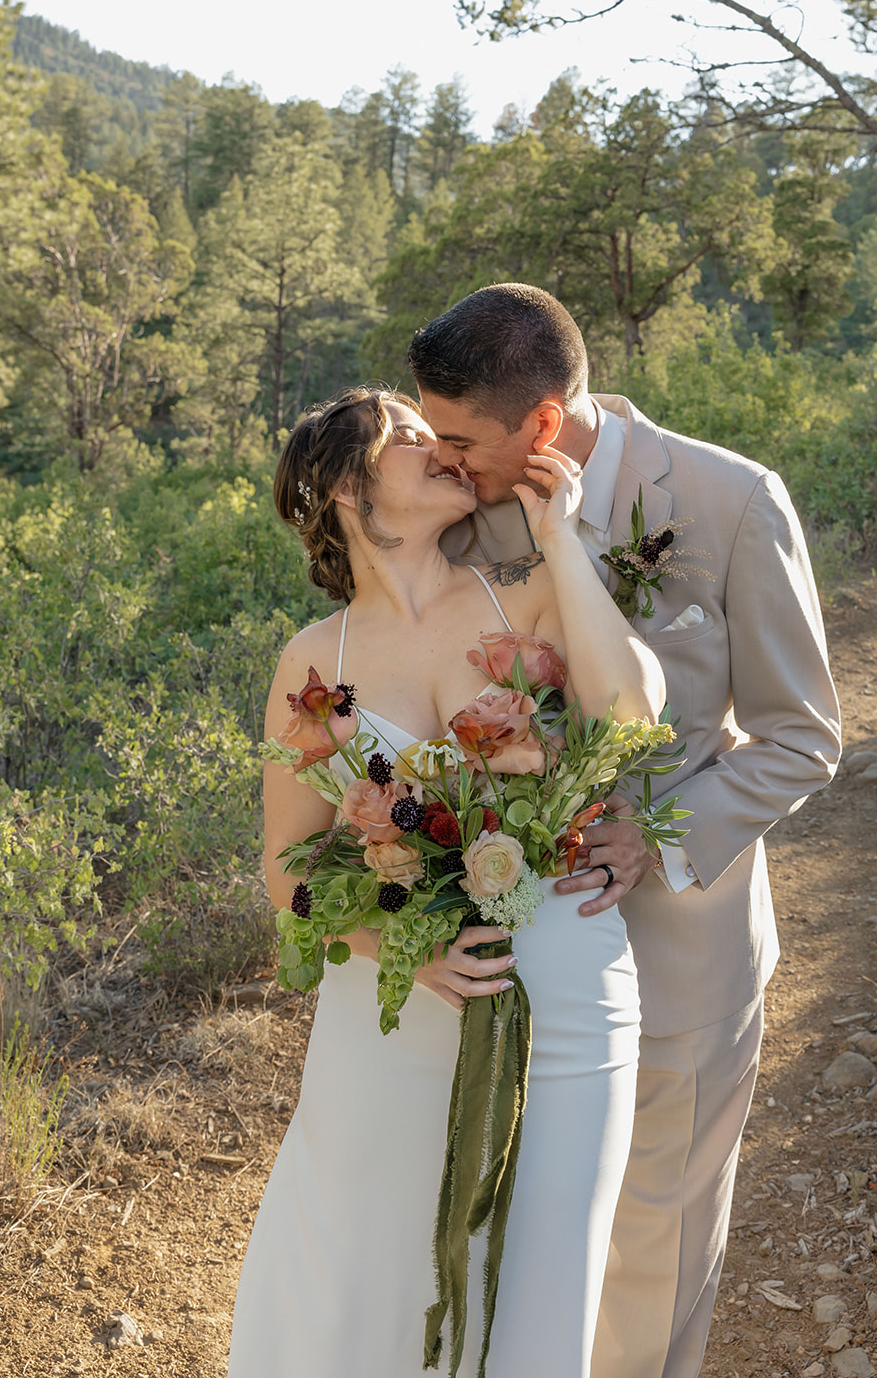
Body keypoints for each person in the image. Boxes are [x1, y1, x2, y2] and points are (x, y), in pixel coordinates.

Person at [408, 284, 842, 1378]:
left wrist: (654, 831)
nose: (443, 461)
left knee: (653, 1242)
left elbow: (802, 736)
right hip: (514, 955)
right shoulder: (462, 514)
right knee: (524, 1227)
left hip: (680, 957)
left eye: (460, 438)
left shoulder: (730, 501)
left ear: (542, 424)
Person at [227, 386, 666, 1378]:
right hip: (391, 1018)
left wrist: (560, 540)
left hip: (562, 980)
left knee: (544, 1275)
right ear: (345, 484)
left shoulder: (530, 592)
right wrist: (397, 944)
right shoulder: (312, 665)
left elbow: (630, 713)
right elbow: (285, 863)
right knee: (370, 1270)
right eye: (407, 434)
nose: (440, 446)